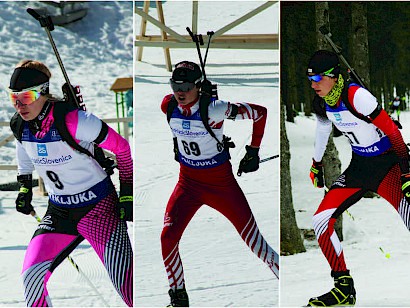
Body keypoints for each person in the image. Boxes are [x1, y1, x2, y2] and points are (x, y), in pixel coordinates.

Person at [9, 60, 133, 307]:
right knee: (31, 278)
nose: (19, 104)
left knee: (129, 288)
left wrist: (127, 193)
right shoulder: (20, 125)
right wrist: (24, 187)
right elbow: (25, 155)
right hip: (59, 213)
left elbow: (122, 148)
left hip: (99, 211)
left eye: (26, 96)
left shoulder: (74, 119)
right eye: (13, 98)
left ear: (43, 91)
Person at [160, 60, 279, 307]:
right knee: (168, 237)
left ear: (198, 86)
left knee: (257, 245)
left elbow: (260, 113)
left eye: (186, 86)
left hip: (221, 186)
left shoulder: (214, 108)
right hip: (188, 184)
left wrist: (253, 151)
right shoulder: (168, 105)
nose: (179, 92)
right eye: (174, 85)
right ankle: (178, 297)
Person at [307, 50, 410, 306]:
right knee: (321, 220)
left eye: (318, 78)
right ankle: (343, 288)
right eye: (310, 78)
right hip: (360, 168)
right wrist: (316, 163)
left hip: (390, 166)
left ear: (333, 76)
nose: (313, 84)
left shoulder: (356, 95)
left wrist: (407, 173)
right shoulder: (321, 102)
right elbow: (322, 130)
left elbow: (394, 135)